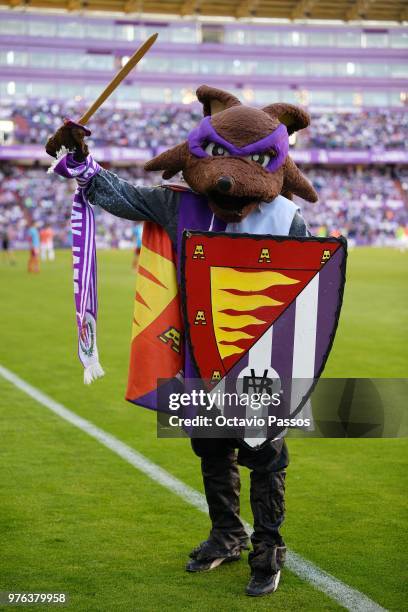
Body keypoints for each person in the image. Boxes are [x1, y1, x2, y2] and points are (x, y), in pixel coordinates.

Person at [46, 85, 318, 598]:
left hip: (260, 361)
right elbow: (120, 196)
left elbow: (307, 294)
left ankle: (269, 547)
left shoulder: (287, 219)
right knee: (211, 449)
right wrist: (81, 158)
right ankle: (227, 534)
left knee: (264, 455)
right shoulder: (180, 206)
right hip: (197, 356)